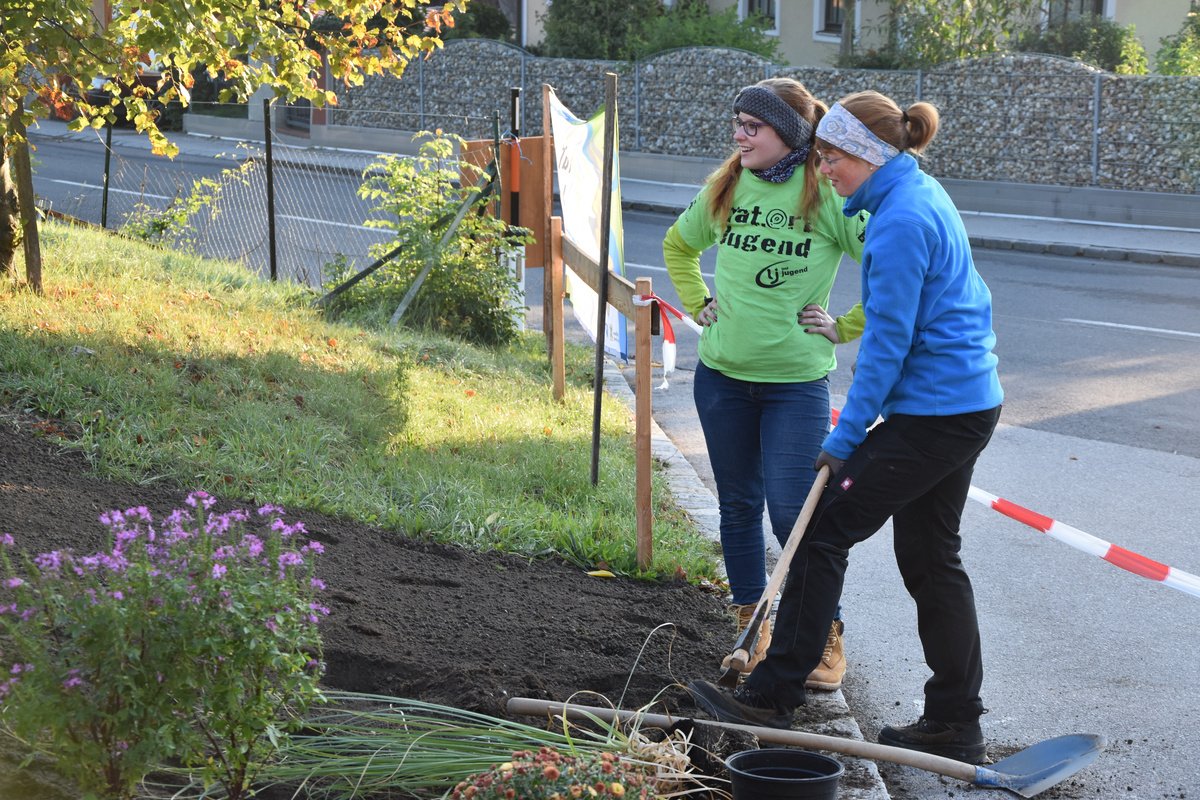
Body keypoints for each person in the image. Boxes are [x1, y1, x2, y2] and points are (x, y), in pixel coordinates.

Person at [687, 90, 1004, 765]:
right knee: (931, 558)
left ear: (867, 154)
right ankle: (955, 720)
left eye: (832, 156)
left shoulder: (900, 222)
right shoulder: (912, 194)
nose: (822, 168)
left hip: (937, 416)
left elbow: (886, 345)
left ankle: (773, 691)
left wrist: (845, 436)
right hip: (963, 404)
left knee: (822, 528)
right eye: (820, 155)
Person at [662, 77, 867, 692]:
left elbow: (890, 268)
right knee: (739, 505)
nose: (739, 135)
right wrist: (697, 300)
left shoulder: (826, 192)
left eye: (753, 126)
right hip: (721, 380)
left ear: (790, 133)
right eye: (738, 123)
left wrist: (844, 326)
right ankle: (751, 630)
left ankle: (824, 633)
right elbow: (679, 245)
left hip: (794, 387)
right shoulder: (727, 185)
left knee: (793, 515)